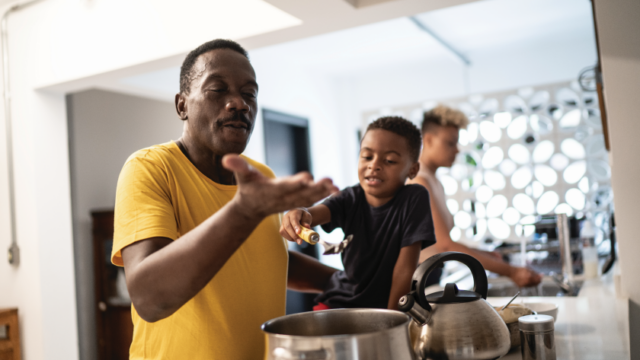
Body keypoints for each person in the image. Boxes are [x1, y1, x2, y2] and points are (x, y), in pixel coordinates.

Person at [111, 39, 340, 360]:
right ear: (182, 106)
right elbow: (150, 298)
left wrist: (341, 282)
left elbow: (263, 260)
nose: (239, 103)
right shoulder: (150, 169)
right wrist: (243, 212)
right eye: (218, 90)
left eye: (249, 94)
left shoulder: (260, 176)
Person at [281, 116, 436, 310]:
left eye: (389, 160)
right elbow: (314, 214)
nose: (374, 165)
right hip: (339, 303)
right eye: (367, 157)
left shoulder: (414, 198)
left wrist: (393, 319)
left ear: (412, 170)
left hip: (387, 308)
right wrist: (299, 214)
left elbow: (405, 269)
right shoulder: (350, 197)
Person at [407, 105, 542, 287]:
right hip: (419, 279)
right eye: (450, 143)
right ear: (429, 140)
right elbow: (445, 245)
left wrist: (484, 254)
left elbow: (437, 244)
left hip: (430, 275)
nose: (457, 150)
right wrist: (511, 271)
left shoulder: (433, 180)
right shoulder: (419, 182)